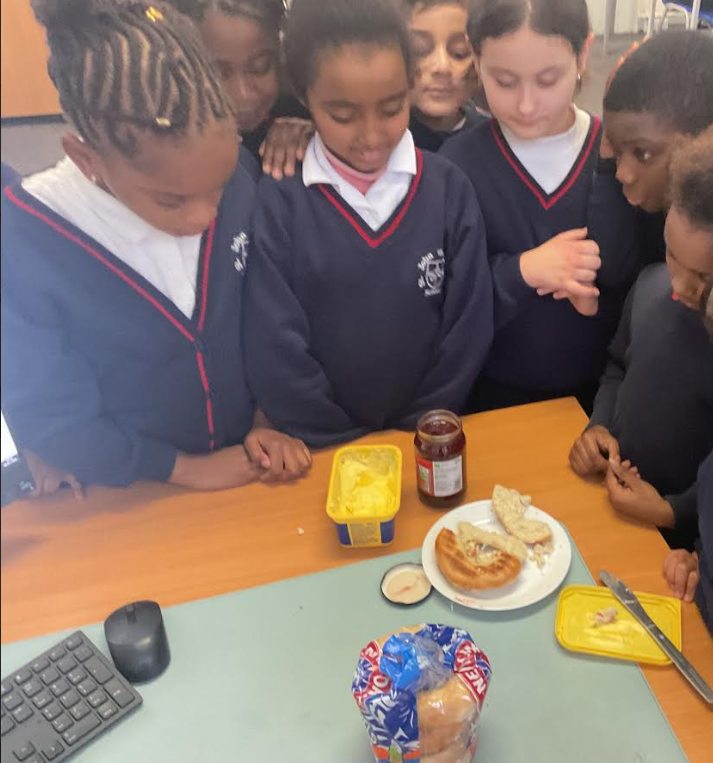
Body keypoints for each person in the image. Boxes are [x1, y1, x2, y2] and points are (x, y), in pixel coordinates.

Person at [1, 0, 311, 491]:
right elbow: (50, 415)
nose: (206, 216)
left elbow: (268, 319)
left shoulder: (240, 178)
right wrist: (183, 469)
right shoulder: (26, 240)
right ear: (87, 159)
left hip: (252, 468)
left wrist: (265, 420)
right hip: (128, 491)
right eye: (171, 200)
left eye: (219, 186)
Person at [243, 0, 493, 448]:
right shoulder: (280, 201)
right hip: (321, 451)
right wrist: (339, 440)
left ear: (410, 84)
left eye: (392, 108)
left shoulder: (448, 189)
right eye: (343, 115)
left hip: (428, 440)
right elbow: (274, 344)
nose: (372, 136)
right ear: (303, 96)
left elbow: (466, 329)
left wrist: (421, 428)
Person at [440, 0, 616, 414]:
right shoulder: (458, 165)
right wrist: (523, 272)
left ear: (583, 54)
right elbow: (443, 297)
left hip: (600, 402)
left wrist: (598, 303)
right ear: (476, 59)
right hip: (490, 400)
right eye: (504, 82)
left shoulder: (615, 157)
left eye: (547, 80)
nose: (525, 105)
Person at [570, 127, 713, 550]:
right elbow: (618, 367)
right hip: (621, 514)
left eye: (704, 277)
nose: (678, 286)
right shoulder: (651, 284)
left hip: (689, 544)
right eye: (671, 255)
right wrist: (599, 425)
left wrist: (672, 510)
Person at [592, 30, 713, 292]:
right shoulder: (652, 197)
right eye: (617, 151)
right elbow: (611, 267)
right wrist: (607, 152)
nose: (622, 173)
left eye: (642, 154)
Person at [169, 0, 313, 178]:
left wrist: (317, 139)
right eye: (216, 74)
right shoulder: (160, 142)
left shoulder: (308, 108)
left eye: (260, 67)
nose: (243, 95)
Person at [404, 0, 487, 153]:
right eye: (419, 49)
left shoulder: (496, 140)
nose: (442, 67)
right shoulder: (381, 140)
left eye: (459, 52)